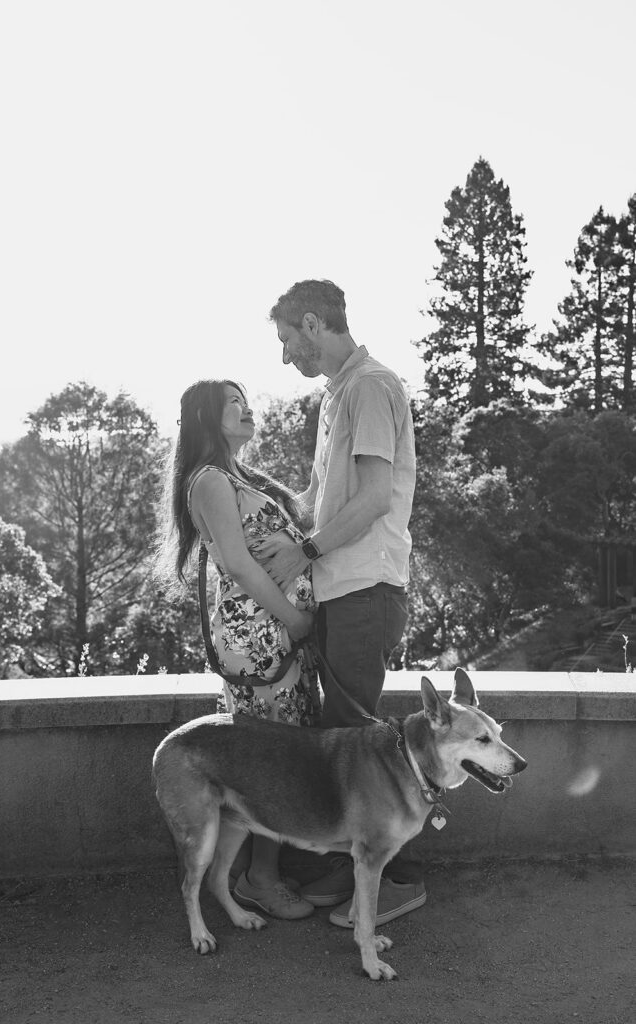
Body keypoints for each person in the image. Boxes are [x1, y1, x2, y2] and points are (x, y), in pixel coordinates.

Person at [257, 279, 425, 929]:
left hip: (364, 590)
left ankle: (400, 880)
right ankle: (351, 868)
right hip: (342, 590)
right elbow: (326, 496)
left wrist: (307, 549)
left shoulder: (370, 387)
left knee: (364, 749)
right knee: (343, 743)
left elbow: (376, 496)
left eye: (285, 341)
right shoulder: (338, 396)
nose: (283, 357)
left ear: (311, 323)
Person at [158, 378, 318, 921]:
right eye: (234, 403)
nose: (248, 409)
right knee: (270, 763)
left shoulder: (238, 477)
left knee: (285, 752)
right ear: (207, 417)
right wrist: (295, 618)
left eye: (247, 400)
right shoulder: (208, 481)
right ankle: (260, 878)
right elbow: (239, 565)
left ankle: (262, 871)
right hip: (262, 638)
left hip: (276, 634)